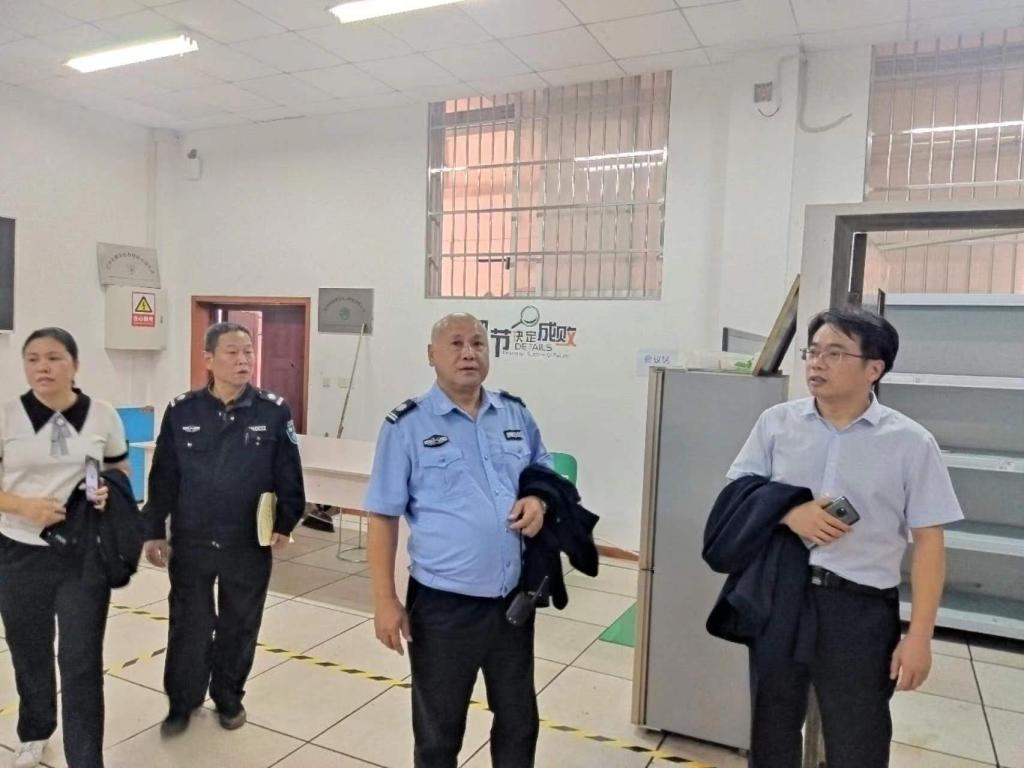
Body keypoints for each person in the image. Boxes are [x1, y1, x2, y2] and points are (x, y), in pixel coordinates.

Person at [727, 307, 963, 768]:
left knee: (859, 737)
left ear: (874, 368)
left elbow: (929, 543)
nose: (817, 363)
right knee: (772, 728)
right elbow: (739, 492)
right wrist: (789, 513)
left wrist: (919, 637)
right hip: (783, 596)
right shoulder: (777, 423)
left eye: (834, 353)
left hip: (859, 608)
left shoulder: (911, 443)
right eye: (813, 351)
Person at [364, 313, 552, 768]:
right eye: (455, 344)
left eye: (478, 343)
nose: (469, 353)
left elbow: (544, 472)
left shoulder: (515, 413)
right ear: (431, 355)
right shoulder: (406, 425)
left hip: (512, 602)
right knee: (439, 731)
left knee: (519, 720)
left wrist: (538, 499)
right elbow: (383, 516)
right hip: (442, 606)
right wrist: (385, 600)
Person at [142, 322, 306, 737]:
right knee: (189, 624)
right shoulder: (183, 411)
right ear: (209, 359)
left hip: (246, 540)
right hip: (192, 538)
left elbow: (289, 471)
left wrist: (286, 521)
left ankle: (229, 697)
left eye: (248, 352)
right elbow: (164, 475)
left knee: (239, 624)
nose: (243, 360)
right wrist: (154, 528)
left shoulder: (272, 411)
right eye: (232, 352)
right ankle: (183, 701)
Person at [0, 328, 130, 768]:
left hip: (83, 554)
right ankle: (35, 731)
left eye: (54, 358)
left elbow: (116, 468)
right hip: (19, 551)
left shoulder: (102, 415)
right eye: (33, 359)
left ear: (74, 365)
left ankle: (86, 757)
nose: (43, 367)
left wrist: (105, 491)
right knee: (29, 648)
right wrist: (23, 506)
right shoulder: (7, 416)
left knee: (80, 658)